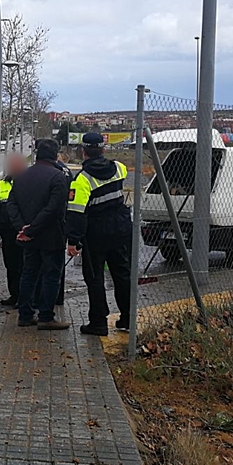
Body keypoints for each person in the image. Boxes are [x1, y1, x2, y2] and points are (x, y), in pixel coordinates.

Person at [67, 132, 133, 336]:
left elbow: (76, 213)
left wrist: (73, 241)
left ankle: (98, 322)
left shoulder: (82, 180)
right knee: (122, 274)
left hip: (96, 233)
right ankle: (127, 318)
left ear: (83, 151)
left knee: (95, 278)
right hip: (121, 228)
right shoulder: (118, 168)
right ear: (103, 149)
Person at [7, 139, 70, 330]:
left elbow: (11, 204)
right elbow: (54, 209)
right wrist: (32, 228)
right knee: (51, 275)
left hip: (28, 237)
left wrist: (23, 228)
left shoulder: (21, 176)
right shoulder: (58, 177)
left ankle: (25, 314)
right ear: (55, 155)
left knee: (28, 273)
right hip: (51, 236)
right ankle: (46, 316)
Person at [0, 154, 27, 307]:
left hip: (21, 231)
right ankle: (14, 294)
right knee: (11, 265)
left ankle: (24, 296)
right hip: (6, 231)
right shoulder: (2, 183)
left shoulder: (27, 182)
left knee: (23, 265)